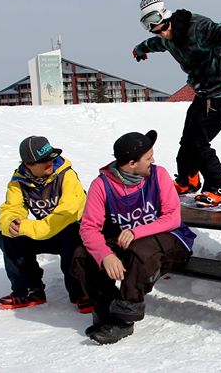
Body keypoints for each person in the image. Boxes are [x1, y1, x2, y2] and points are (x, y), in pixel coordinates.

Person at [132, 0, 221, 207]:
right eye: (151, 29)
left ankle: (220, 186)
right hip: (203, 92)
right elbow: (155, 44)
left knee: (199, 141)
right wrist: (140, 49)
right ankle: (188, 179)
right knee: (187, 137)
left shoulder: (198, 28)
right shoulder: (166, 37)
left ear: (166, 15)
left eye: (160, 27)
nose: (160, 33)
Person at [72, 130, 196, 345]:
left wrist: (135, 231)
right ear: (131, 164)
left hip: (170, 239)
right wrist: (105, 256)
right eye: (148, 158)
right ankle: (106, 310)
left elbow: (172, 218)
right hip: (128, 240)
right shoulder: (102, 185)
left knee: (141, 251)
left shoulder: (159, 175)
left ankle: (123, 319)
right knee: (83, 256)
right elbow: (88, 228)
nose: (153, 161)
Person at [0, 136, 89, 312]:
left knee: (74, 236)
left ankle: (82, 293)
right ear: (28, 164)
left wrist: (27, 227)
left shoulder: (67, 175)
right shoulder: (18, 181)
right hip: (45, 231)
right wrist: (11, 223)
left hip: (70, 228)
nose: (50, 162)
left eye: (52, 157)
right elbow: (11, 208)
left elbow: (65, 215)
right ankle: (29, 291)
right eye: (44, 160)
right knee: (9, 236)